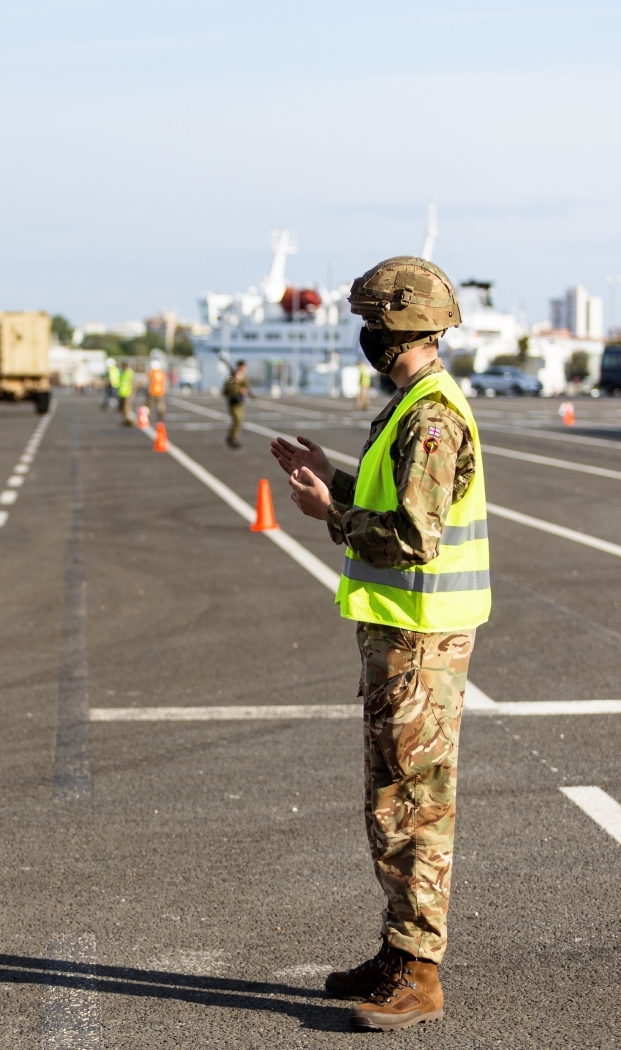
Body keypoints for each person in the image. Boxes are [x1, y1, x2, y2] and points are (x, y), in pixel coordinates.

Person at [269, 256, 484, 1032]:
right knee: (391, 804)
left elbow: (415, 538)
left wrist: (330, 512)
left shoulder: (430, 414)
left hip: (421, 645)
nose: (365, 337)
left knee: (414, 810)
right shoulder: (413, 406)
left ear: (395, 324)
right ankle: (399, 952)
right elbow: (400, 500)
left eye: (370, 322)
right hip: (402, 642)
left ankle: (419, 974)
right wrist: (337, 477)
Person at [222, 360, 249, 447]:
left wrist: (244, 390)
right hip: (233, 402)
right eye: (241, 367)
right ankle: (232, 438)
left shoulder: (244, 378)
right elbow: (226, 390)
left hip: (240, 402)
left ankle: (232, 438)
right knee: (237, 419)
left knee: (239, 420)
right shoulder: (232, 377)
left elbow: (247, 387)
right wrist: (235, 382)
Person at [115, 361, 137, 426]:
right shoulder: (121, 373)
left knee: (126, 407)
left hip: (128, 393)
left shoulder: (130, 373)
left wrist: (133, 392)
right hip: (122, 393)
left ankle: (130, 420)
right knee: (121, 408)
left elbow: (134, 384)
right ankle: (126, 420)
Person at [147, 358, 168, 424]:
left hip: (152, 390)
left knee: (149, 406)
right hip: (160, 391)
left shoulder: (152, 372)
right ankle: (160, 417)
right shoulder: (162, 372)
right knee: (160, 405)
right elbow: (164, 382)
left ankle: (148, 417)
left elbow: (149, 381)